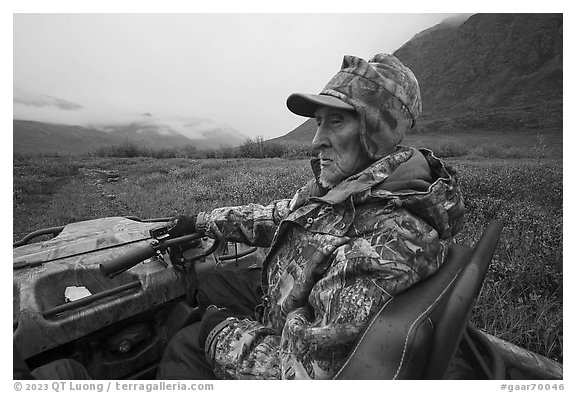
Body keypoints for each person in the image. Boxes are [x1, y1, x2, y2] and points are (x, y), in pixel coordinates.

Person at [156, 53, 465, 380]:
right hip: (285, 299)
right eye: (319, 122)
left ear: (378, 130)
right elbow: (282, 216)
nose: (316, 140)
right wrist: (202, 221)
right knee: (216, 282)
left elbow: (305, 374)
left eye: (336, 121)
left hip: (290, 335)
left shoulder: (388, 242)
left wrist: (217, 333)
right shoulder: (348, 187)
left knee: (184, 344)